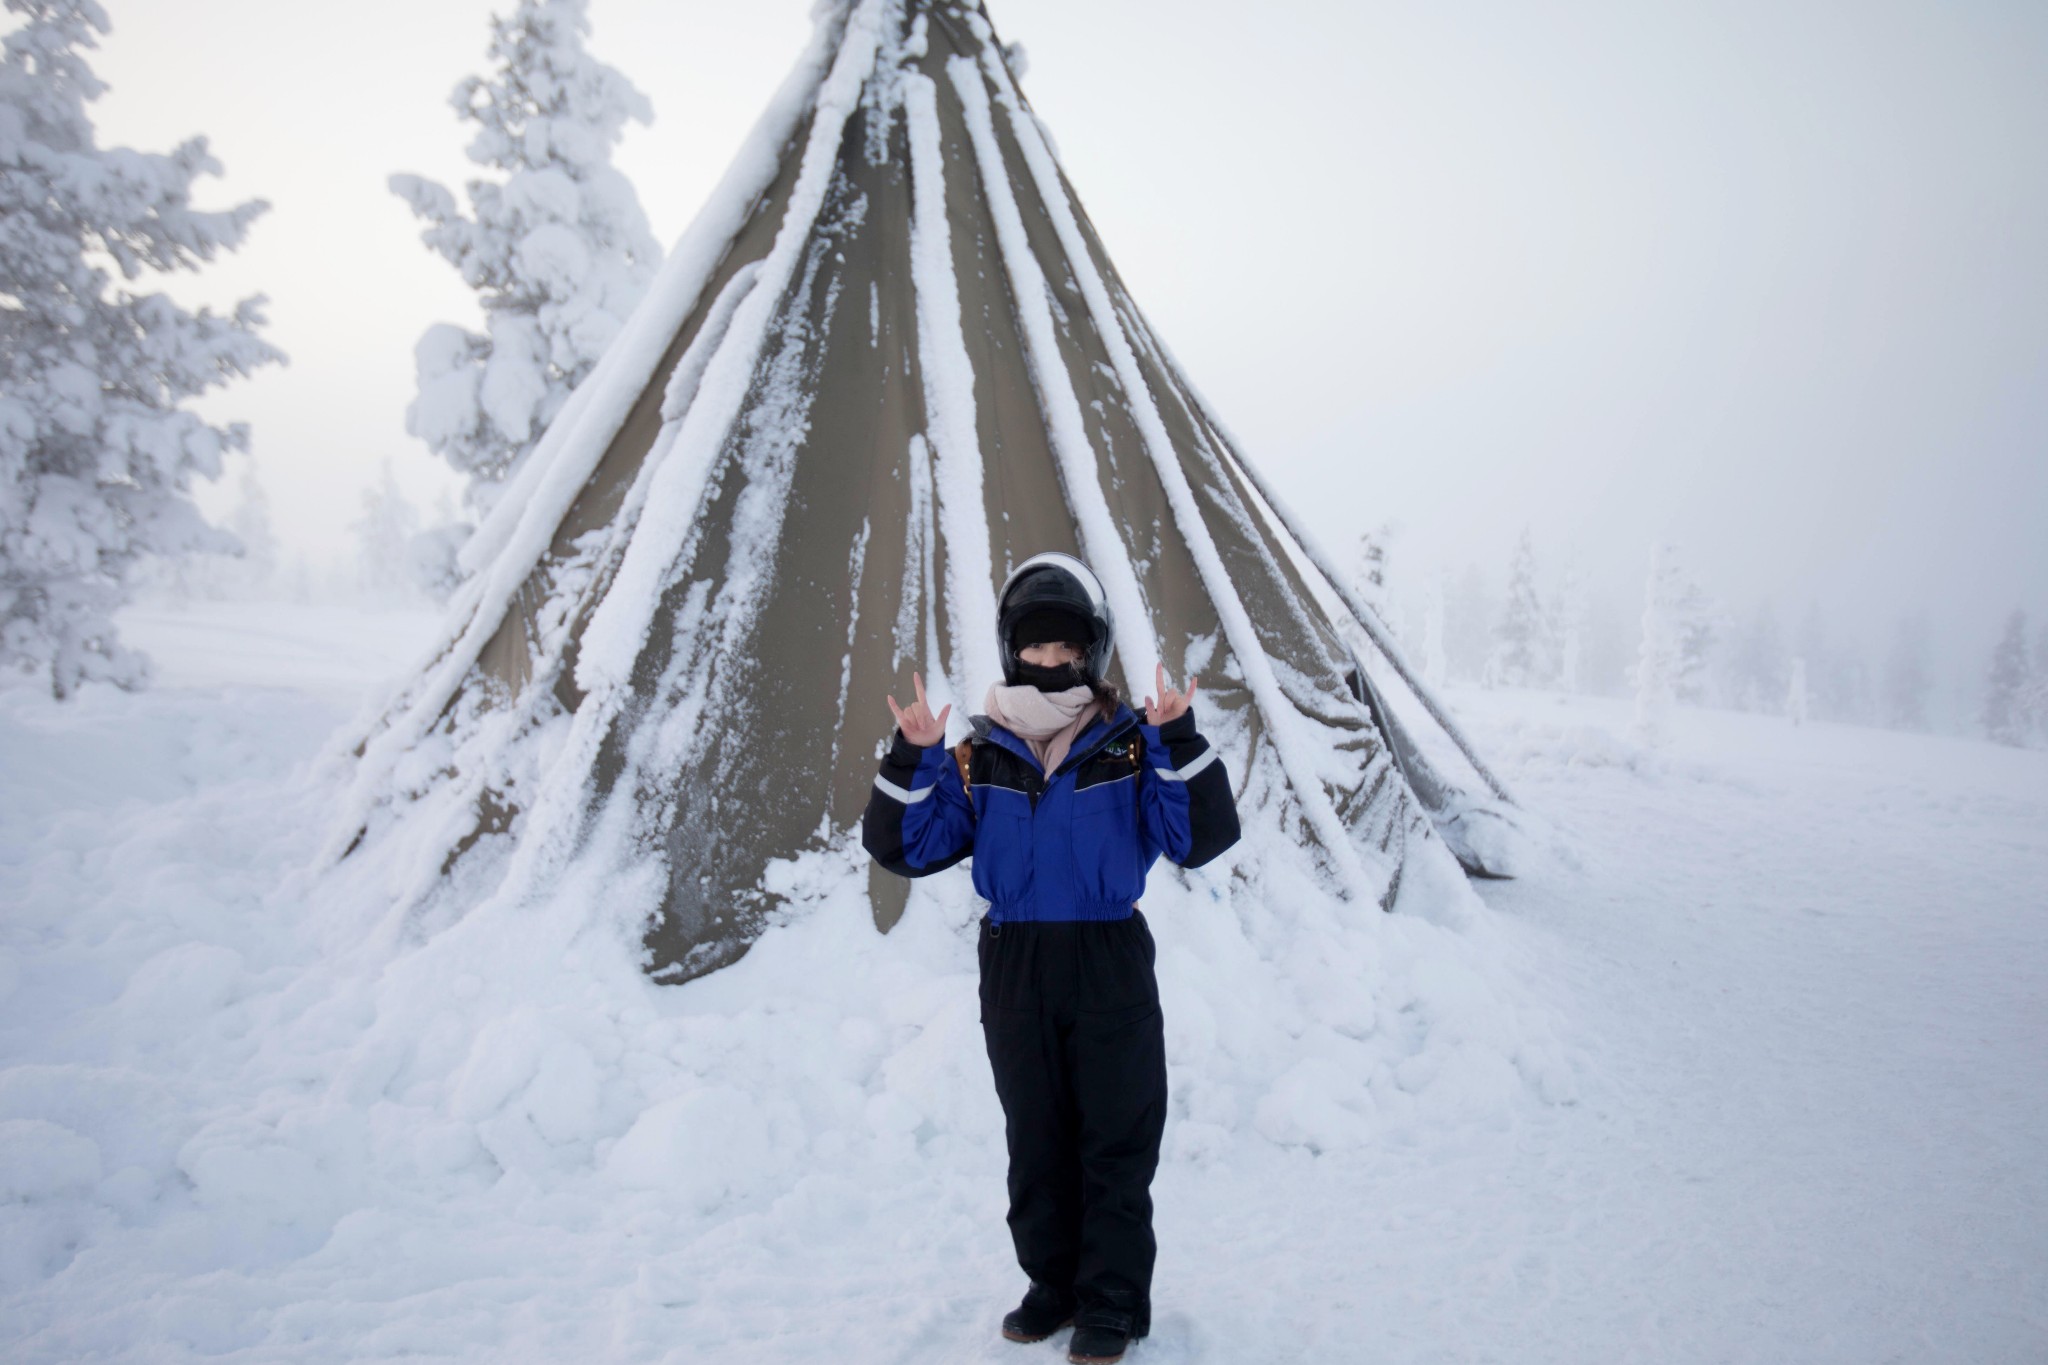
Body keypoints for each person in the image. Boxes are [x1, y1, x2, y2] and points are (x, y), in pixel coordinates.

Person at [862, 552, 1241, 1365]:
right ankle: (1053, 1285)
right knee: (1037, 1136)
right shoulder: (979, 751)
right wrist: (912, 756)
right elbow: (906, 847)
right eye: (1033, 645)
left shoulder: (1132, 746)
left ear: (1091, 650)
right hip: (1017, 963)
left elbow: (1200, 838)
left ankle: (1111, 1300)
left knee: (1115, 1136)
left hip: (1107, 958)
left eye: (1064, 645)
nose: (1048, 659)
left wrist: (1178, 737)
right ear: (1010, 650)